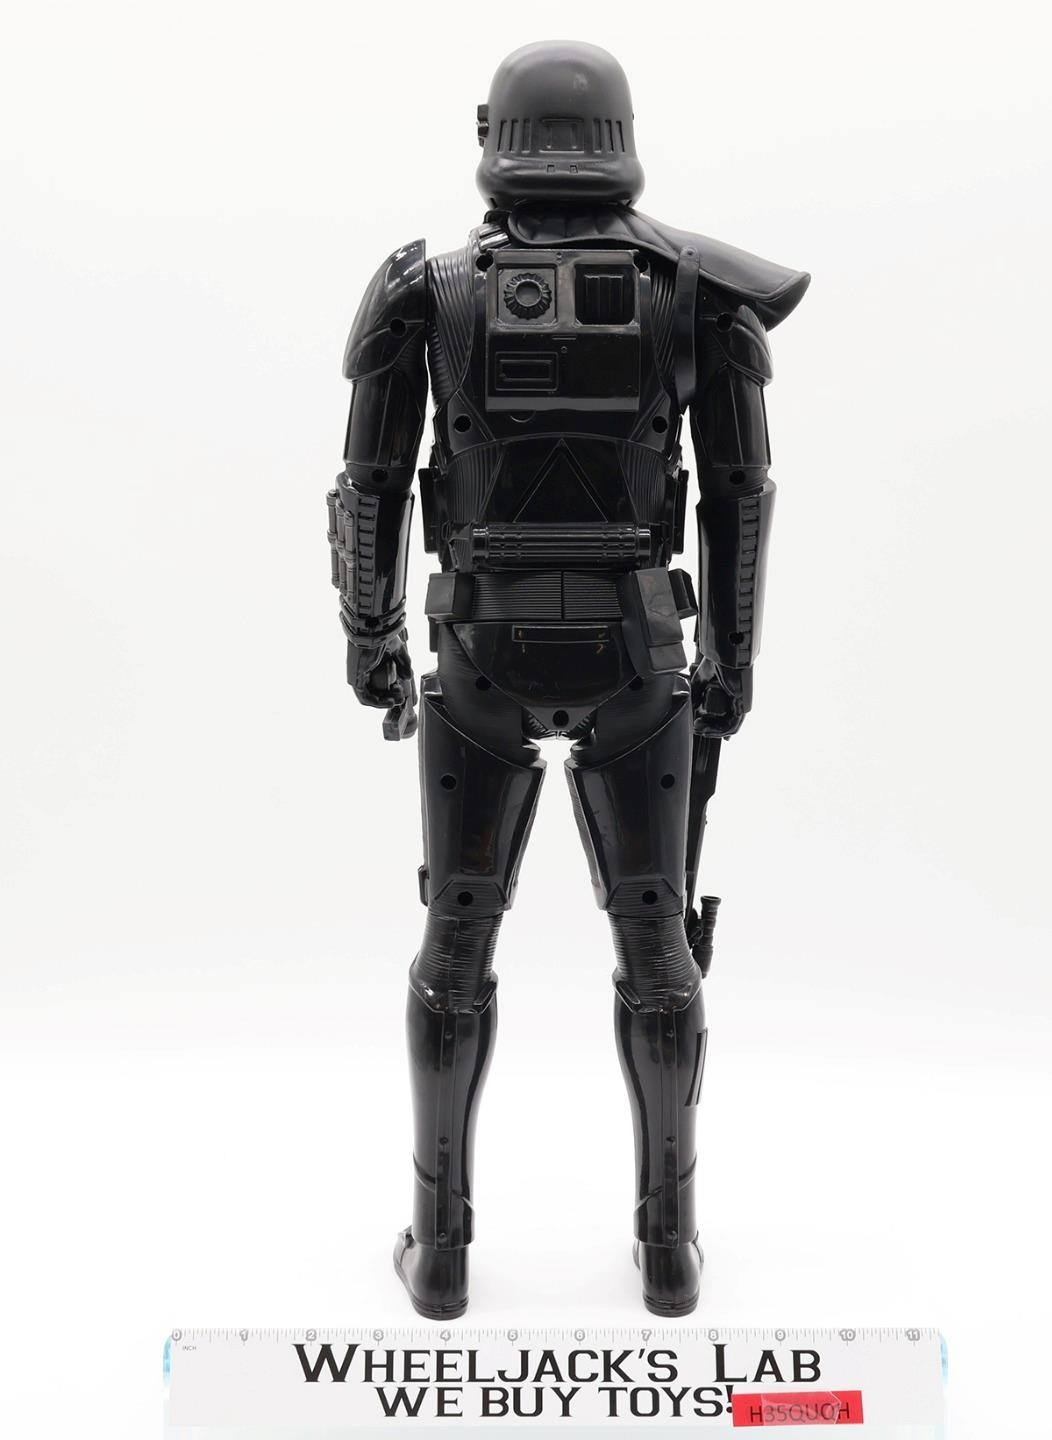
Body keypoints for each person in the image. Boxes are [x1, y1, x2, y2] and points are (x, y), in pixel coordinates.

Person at [326, 40, 809, 1317]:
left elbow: (369, 490)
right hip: (636, 652)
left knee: (455, 941)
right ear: (618, 141)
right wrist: (733, 664)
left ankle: (440, 1250)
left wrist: (370, 640)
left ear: (496, 134)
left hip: (478, 650)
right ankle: (667, 1249)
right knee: (656, 944)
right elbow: (741, 498)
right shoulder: (694, 293)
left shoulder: (425, 291)